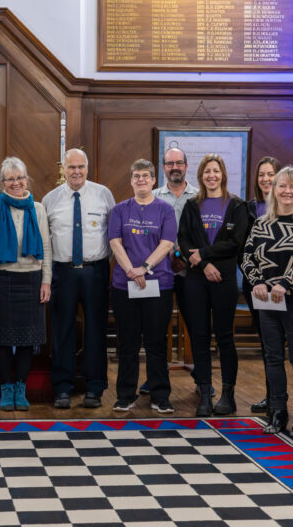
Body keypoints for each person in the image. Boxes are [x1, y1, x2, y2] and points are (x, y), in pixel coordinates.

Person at [242, 166, 293, 437]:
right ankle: (278, 412)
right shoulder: (261, 222)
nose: (287, 191)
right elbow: (248, 258)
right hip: (267, 300)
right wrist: (258, 282)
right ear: (274, 190)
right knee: (273, 357)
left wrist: (285, 283)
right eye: (282, 186)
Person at [42, 148, 115, 409]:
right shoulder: (50, 199)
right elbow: (45, 241)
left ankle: (95, 387)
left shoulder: (103, 194)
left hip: (95, 270)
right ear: (63, 169)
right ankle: (63, 387)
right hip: (62, 272)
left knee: (96, 330)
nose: (76, 172)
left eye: (80, 167)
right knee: (62, 331)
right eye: (71, 167)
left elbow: (114, 235)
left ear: (87, 168)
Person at [0, 157, 51, 411]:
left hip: (31, 279)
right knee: (2, 339)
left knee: (26, 340)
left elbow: (45, 247)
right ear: (2, 183)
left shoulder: (38, 209)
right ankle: (6, 388)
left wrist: (46, 281)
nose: (16, 183)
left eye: (20, 177)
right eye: (10, 179)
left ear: (26, 179)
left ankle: (20, 387)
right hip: (2, 279)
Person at [178, 154, 247, 417]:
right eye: (207, 172)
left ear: (223, 174)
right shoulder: (191, 205)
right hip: (196, 278)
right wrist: (203, 263)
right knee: (199, 336)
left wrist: (204, 254)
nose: (211, 176)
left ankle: (228, 396)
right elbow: (183, 240)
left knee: (225, 337)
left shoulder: (237, 206)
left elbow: (235, 242)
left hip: (224, 279)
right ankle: (205, 393)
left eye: (216, 171)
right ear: (201, 176)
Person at [109, 159, 176, 413]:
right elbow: (115, 243)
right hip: (124, 286)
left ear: (153, 180)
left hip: (158, 285)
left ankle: (160, 395)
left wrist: (144, 268)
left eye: (146, 176)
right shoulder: (119, 210)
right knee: (127, 342)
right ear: (131, 180)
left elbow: (167, 244)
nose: (141, 180)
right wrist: (130, 270)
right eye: (136, 176)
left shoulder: (165, 210)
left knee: (156, 342)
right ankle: (126, 395)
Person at [141, 146, 203, 397]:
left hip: (192, 271)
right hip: (159, 271)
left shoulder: (199, 197)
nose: (175, 167)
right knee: (155, 328)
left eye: (179, 162)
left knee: (196, 326)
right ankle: (155, 378)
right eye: (169, 163)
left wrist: (186, 256)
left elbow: (205, 234)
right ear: (163, 168)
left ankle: (202, 377)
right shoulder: (152, 196)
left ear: (186, 166)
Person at [243, 156, 282, 415]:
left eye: (270, 174)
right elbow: (244, 249)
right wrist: (256, 278)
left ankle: (281, 400)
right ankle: (271, 397)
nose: (266, 179)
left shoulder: (291, 206)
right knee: (267, 343)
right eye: (261, 175)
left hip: (283, 287)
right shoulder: (248, 208)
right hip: (255, 286)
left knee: (281, 344)